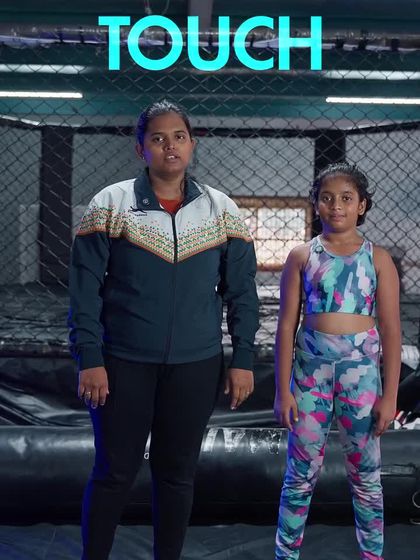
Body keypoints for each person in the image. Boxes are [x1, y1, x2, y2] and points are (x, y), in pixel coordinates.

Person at [68, 99, 259, 560]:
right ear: (140, 148)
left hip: (196, 366)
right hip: (123, 363)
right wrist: (90, 358)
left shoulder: (222, 210)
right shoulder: (109, 204)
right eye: (157, 138)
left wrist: (243, 359)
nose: (169, 146)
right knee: (113, 473)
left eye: (178, 137)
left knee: (176, 475)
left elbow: (242, 293)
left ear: (192, 144)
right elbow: (84, 292)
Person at [274, 162, 401, 560]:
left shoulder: (378, 259)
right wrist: (282, 391)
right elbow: (285, 327)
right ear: (316, 204)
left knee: (366, 474)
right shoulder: (301, 256)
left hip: (360, 377)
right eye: (327, 198)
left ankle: (372, 555)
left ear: (361, 205)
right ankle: (286, 554)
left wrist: (390, 396)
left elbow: (391, 330)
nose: (336, 206)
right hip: (310, 373)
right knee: (300, 473)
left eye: (346, 198)